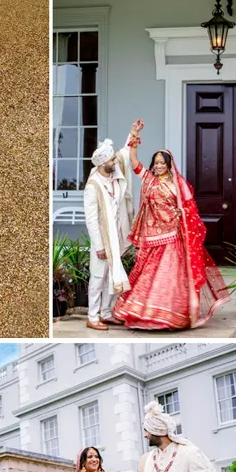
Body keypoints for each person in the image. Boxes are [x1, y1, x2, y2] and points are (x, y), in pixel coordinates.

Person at [113, 120, 230, 330]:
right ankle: (144, 314)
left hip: (173, 237)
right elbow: (133, 160)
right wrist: (134, 133)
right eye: (156, 163)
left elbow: (190, 210)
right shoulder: (148, 179)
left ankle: (170, 317)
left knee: (168, 277)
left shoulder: (178, 184)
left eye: (162, 163)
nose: (158, 166)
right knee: (147, 275)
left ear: (169, 165)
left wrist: (181, 213)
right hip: (152, 238)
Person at [82, 132, 136, 331]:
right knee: (98, 277)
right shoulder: (93, 186)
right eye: (112, 160)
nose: (115, 161)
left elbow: (124, 153)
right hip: (103, 239)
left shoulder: (114, 174)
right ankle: (92, 317)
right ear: (103, 162)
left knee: (111, 276)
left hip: (116, 236)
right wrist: (99, 246)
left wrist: (133, 133)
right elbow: (91, 220)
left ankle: (105, 313)